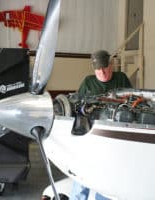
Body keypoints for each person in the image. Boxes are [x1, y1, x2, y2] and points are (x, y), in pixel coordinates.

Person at [70, 50, 132, 200]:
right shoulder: (88, 82)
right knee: (81, 171)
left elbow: (133, 100)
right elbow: (76, 106)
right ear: (94, 69)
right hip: (92, 134)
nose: (102, 72)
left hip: (115, 136)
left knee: (110, 174)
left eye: (105, 68)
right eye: (98, 69)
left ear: (111, 65)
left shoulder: (121, 79)